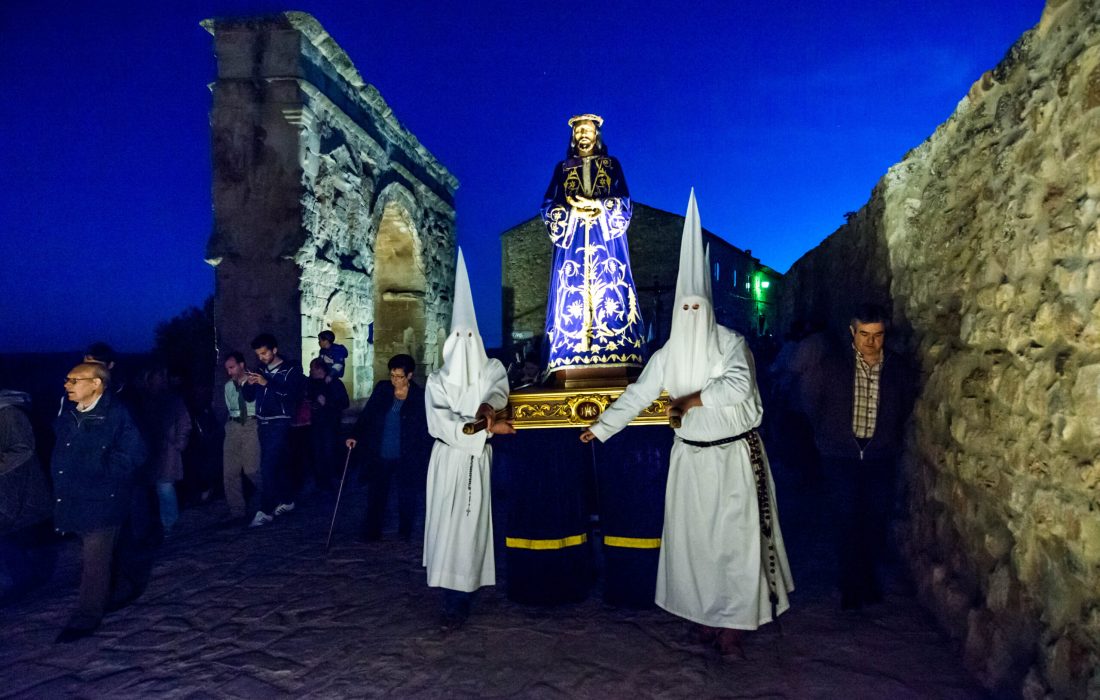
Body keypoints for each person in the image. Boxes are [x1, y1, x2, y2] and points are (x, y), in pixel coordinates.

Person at [581, 192, 793, 657]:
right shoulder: (668, 353)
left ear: (708, 308)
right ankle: (703, 617)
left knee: (733, 547)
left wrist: (693, 397)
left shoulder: (731, 344)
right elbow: (639, 392)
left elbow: (737, 387)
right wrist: (602, 426)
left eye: (698, 308)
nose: (691, 317)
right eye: (685, 309)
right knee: (695, 545)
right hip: (691, 460)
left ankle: (734, 624)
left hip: (734, 458)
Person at [800, 303, 915, 610]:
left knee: (874, 518)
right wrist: (827, 435)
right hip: (840, 455)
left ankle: (867, 578)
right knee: (846, 518)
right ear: (853, 332)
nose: (870, 341)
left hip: (879, 455)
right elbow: (812, 401)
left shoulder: (897, 369)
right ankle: (852, 584)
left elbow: (904, 405)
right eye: (864, 334)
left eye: (877, 334)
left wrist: (888, 436)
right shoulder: (833, 365)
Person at [423, 249, 513, 630]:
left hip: (477, 462)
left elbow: (499, 390)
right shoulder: (436, 381)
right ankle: (450, 599)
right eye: (458, 336)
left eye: (469, 335)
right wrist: (486, 429)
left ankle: (466, 590)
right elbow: (441, 423)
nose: (464, 342)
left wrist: (488, 409)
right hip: (448, 463)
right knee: (449, 529)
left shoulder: (490, 366)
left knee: (473, 528)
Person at [541, 114, 645, 376]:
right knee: (571, 293)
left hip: (604, 238)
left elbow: (624, 200)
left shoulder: (611, 165)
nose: (582, 135)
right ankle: (569, 350)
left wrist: (599, 206)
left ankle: (616, 349)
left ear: (597, 135)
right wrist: (573, 211)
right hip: (573, 240)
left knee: (610, 289)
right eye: (578, 132)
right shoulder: (563, 168)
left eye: (587, 130)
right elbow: (548, 205)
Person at [51, 363, 146, 642]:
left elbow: (135, 453)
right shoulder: (69, 416)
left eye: (75, 380)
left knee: (94, 559)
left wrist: (103, 471)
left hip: (104, 500)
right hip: (73, 499)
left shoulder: (117, 414)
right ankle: (122, 587)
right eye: (67, 379)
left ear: (96, 384)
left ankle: (85, 616)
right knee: (101, 555)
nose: (67, 384)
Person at [346, 354, 428, 541]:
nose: (394, 380)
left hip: (406, 454)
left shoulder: (419, 396)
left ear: (409, 376)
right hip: (381, 451)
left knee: (406, 493)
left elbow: (423, 427)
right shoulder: (383, 389)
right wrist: (354, 434)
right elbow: (368, 414)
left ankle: (404, 531)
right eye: (392, 375)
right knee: (376, 492)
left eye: (399, 376)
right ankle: (371, 531)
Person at [0, 389, 54, 604]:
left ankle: (25, 578)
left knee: (7, 533)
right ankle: (25, 575)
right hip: (8, 488)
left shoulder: (9, 412)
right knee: (10, 534)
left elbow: (24, 448)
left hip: (17, 485)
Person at [246, 334, 305, 527]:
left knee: (267, 467)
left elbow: (292, 396)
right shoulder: (260, 369)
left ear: (274, 350)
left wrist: (267, 383)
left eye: (264, 353)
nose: (261, 357)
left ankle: (266, 511)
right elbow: (249, 397)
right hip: (263, 422)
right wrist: (248, 383)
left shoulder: (292, 369)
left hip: (280, 422)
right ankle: (287, 500)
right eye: (258, 354)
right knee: (276, 465)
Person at [138, 367, 191, 534]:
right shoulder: (144, 400)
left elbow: (184, 422)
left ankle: (169, 524)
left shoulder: (172, 400)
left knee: (165, 486)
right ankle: (152, 524)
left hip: (166, 449)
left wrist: (179, 443)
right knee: (153, 487)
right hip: (149, 449)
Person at [222, 352, 261, 522]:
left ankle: (271, 498)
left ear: (241, 364)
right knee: (230, 471)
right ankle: (236, 510)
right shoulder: (228, 386)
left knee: (252, 469)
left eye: (232, 367)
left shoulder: (255, 381)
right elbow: (230, 407)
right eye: (227, 369)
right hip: (233, 426)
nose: (229, 372)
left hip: (251, 424)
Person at [306, 358, 349, 493]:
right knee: (317, 453)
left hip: (330, 424)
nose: (310, 371)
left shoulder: (335, 384)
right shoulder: (311, 383)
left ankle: (332, 481)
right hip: (315, 424)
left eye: (312, 368)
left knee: (329, 452)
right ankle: (321, 482)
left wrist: (327, 403)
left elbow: (344, 403)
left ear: (319, 369)